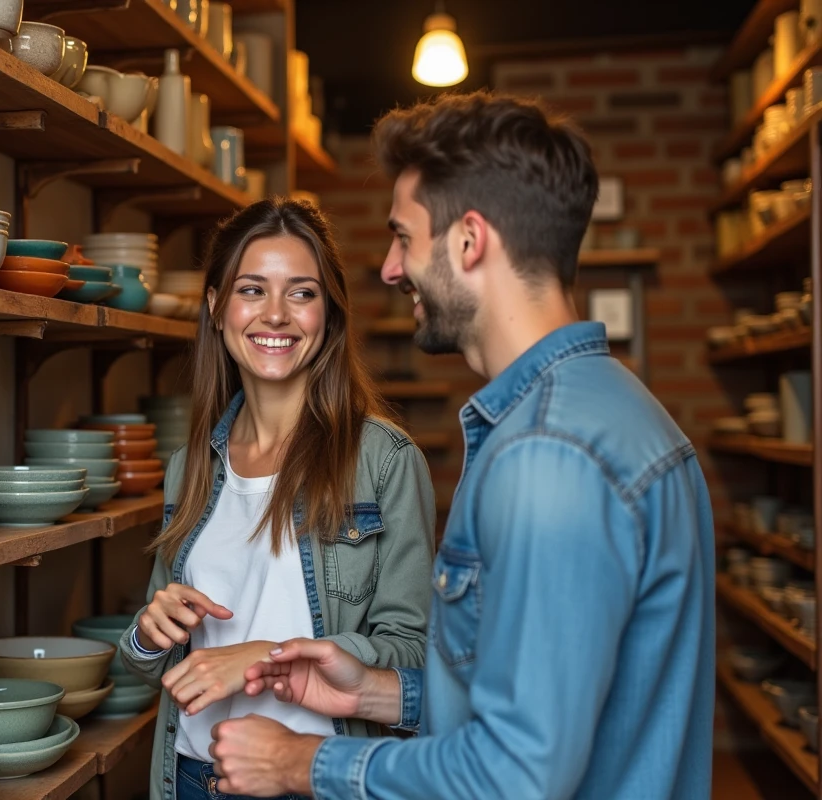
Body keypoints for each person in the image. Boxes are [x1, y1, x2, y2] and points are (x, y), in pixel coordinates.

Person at [207, 92, 715, 800]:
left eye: (404, 237)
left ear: (469, 241)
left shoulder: (550, 454)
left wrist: (301, 763)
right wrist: (379, 695)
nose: (389, 268)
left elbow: (517, 775)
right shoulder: (616, 411)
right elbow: (546, 702)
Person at [118, 198, 437, 800]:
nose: (275, 315)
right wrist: (146, 633)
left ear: (329, 315)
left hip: (317, 778)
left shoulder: (386, 462)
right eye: (252, 289)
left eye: (301, 293)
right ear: (216, 307)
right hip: (193, 776)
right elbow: (159, 663)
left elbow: (414, 655)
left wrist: (264, 656)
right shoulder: (190, 468)